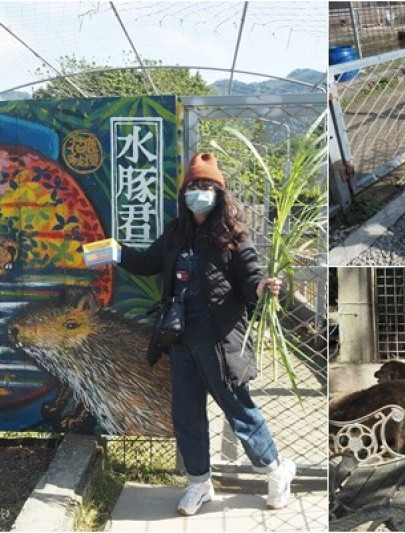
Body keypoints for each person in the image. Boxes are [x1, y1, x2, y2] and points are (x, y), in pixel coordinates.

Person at [117, 152, 295, 516]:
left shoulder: (234, 236)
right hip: (180, 339)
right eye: (193, 186)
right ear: (184, 193)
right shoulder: (175, 233)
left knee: (238, 409)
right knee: (186, 412)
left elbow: (249, 282)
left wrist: (264, 287)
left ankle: (276, 470)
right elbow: (147, 263)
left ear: (220, 193)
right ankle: (199, 482)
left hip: (219, 341)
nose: (198, 192)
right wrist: (115, 252)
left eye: (206, 186)